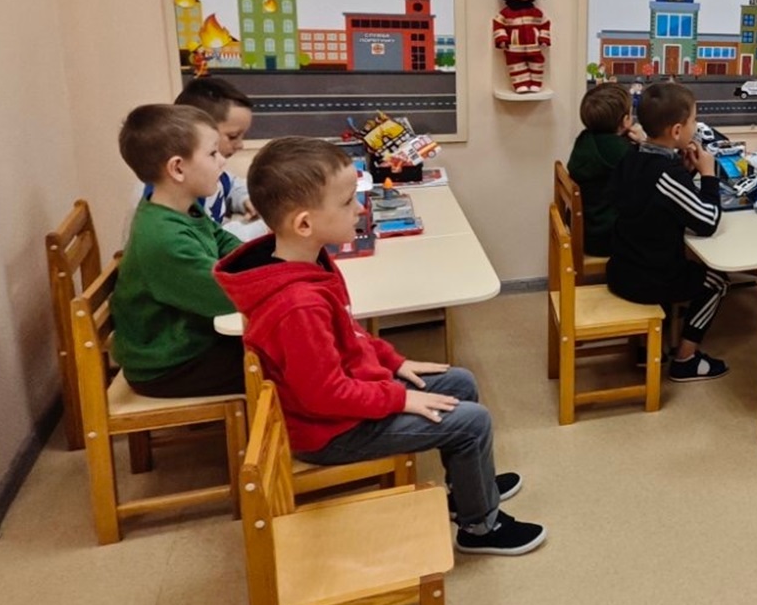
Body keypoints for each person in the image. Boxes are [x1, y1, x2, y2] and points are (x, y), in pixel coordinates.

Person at [216, 137, 544, 556]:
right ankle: (480, 526)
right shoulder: (296, 305)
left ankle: (469, 488)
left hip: (348, 401)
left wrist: (393, 361)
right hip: (331, 432)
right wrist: (398, 398)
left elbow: (349, 333)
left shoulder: (307, 264)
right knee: (472, 422)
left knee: (460, 382)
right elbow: (324, 395)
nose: (359, 208)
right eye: (347, 202)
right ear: (304, 224)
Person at [112, 103, 248, 397]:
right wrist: (280, 277)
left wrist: (262, 260)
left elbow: (222, 241)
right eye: (212, 154)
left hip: (189, 341)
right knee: (287, 360)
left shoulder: (181, 208)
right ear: (177, 168)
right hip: (169, 364)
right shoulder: (164, 239)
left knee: (288, 346)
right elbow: (227, 297)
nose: (222, 162)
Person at [607, 81, 729, 380]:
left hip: (621, 268)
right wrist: (708, 175)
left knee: (686, 265)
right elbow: (708, 221)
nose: (695, 127)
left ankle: (650, 346)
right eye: (693, 121)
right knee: (718, 281)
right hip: (648, 279)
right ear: (677, 131)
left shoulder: (631, 157)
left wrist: (684, 172)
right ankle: (686, 358)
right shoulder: (666, 175)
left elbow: (652, 200)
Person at [128, 76, 263, 242]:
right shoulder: (167, 193)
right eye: (233, 136)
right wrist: (265, 227)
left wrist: (245, 199)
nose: (240, 145)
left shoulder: (205, 172)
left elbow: (232, 184)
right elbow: (202, 241)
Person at [567, 83, 637, 257]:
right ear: (625, 121)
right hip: (607, 237)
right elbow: (647, 176)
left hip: (587, 231)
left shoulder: (585, 139)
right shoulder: (621, 151)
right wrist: (644, 144)